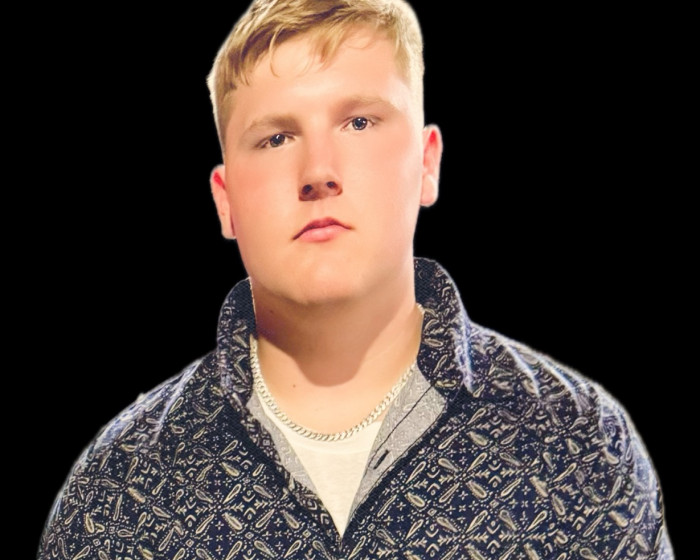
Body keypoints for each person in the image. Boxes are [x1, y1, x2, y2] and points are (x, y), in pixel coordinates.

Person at [38, 0, 673, 558]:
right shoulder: (117, 489)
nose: (318, 171)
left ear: (427, 163)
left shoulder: (579, 443)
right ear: (225, 202)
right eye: (276, 138)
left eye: (359, 122)